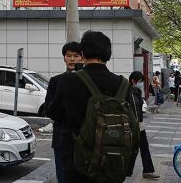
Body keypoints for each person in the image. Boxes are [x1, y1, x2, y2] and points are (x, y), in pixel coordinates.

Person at [49, 31, 138, 182]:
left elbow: (54, 113)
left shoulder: (68, 81)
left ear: (82, 53)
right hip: (112, 159)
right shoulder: (122, 83)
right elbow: (133, 120)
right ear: (108, 54)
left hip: (76, 159)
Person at [45, 41, 82, 183]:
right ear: (64, 58)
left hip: (84, 140)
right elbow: (49, 110)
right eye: (68, 55)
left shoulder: (88, 81)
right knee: (63, 177)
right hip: (61, 138)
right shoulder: (56, 81)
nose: (72, 59)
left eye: (76, 56)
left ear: (82, 58)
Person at [129, 71, 159, 179]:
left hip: (140, 124)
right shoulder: (126, 92)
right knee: (129, 149)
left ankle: (148, 170)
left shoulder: (137, 91)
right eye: (139, 81)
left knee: (144, 147)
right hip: (130, 125)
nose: (140, 83)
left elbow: (140, 106)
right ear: (133, 80)